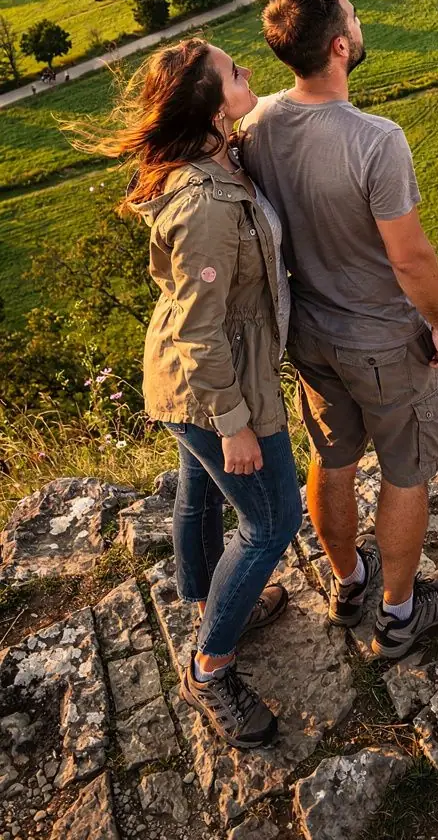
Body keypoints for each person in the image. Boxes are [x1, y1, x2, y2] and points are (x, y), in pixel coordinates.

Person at [239, 0, 438, 660]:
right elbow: (411, 258)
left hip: (310, 333)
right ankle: (399, 615)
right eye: (355, 17)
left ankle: (348, 579)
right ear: (341, 46)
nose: (361, 24)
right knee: (404, 472)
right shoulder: (377, 139)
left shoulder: (258, 123)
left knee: (332, 459)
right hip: (384, 338)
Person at [100, 37, 301, 749]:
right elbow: (198, 328)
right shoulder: (207, 203)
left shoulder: (219, 159)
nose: (251, 76)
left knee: (200, 491)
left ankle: (209, 602)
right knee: (276, 520)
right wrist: (234, 421)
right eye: (236, 74)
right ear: (214, 111)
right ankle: (211, 665)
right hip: (212, 384)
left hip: (195, 377)